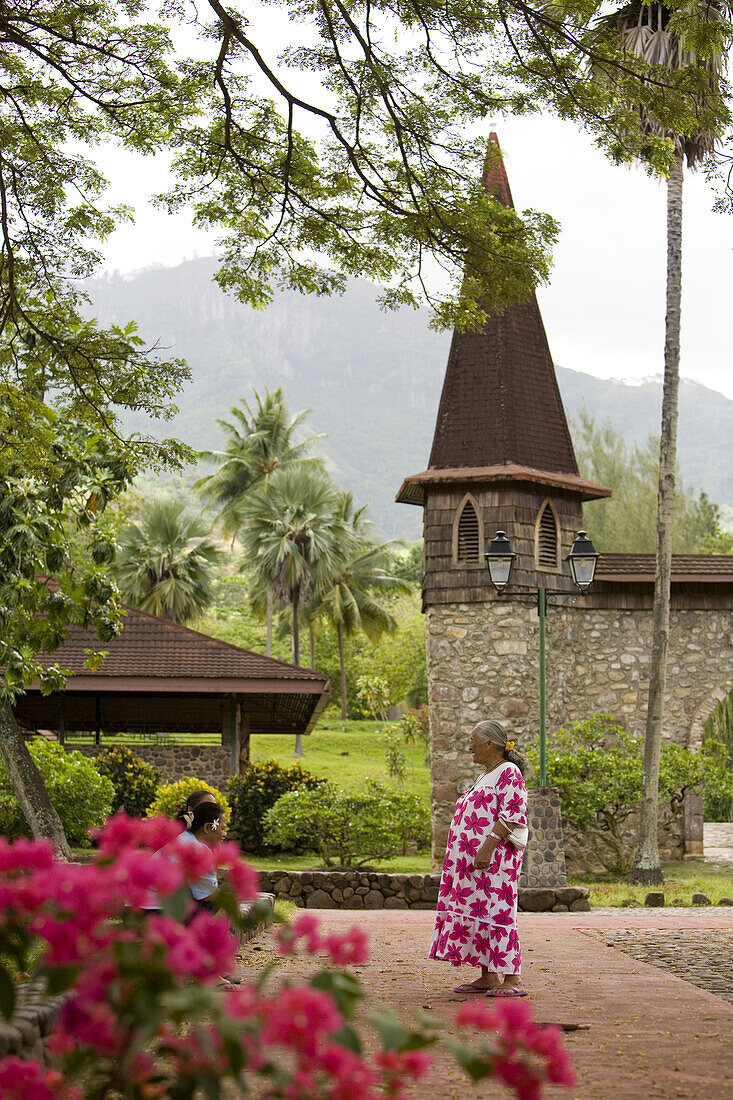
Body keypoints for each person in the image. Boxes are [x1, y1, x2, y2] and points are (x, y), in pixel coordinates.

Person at [430, 720, 529, 997]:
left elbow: (513, 813)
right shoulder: (488, 775)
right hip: (475, 865)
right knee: (481, 912)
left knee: (499, 912)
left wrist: (487, 848)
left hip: (494, 861)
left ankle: (512, 978)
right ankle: (488, 976)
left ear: (489, 744)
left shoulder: (509, 772)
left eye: (473, 740)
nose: (469, 746)